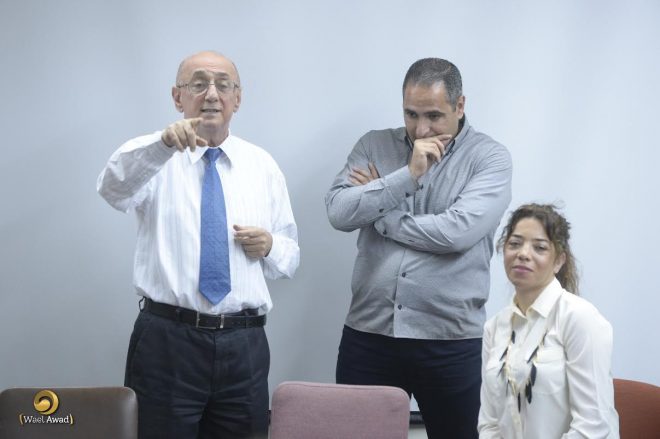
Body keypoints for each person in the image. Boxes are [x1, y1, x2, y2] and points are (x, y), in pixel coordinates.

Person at [97, 50, 299, 439]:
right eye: (199, 84)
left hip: (244, 344)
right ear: (178, 97)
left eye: (223, 85)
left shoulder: (263, 166)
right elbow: (112, 188)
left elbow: (290, 257)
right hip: (168, 342)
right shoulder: (155, 157)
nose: (212, 94)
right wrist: (162, 145)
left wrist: (271, 245)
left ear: (237, 98)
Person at [325, 57, 513, 438]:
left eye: (434, 116)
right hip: (369, 334)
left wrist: (380, 212)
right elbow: (339, 212)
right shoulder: (373, 145)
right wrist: (406, 176)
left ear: (460, 106)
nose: (421, 129)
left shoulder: (489, 158)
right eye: (411, 114)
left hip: (449, 340)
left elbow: (455, 233)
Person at [478, 203, 619, 438]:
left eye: (539, 247)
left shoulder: (579, 318)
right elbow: (489, 423)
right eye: (515, 244)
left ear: (559, 261)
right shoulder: (494, 327)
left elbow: (594, 424)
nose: (523, 254)